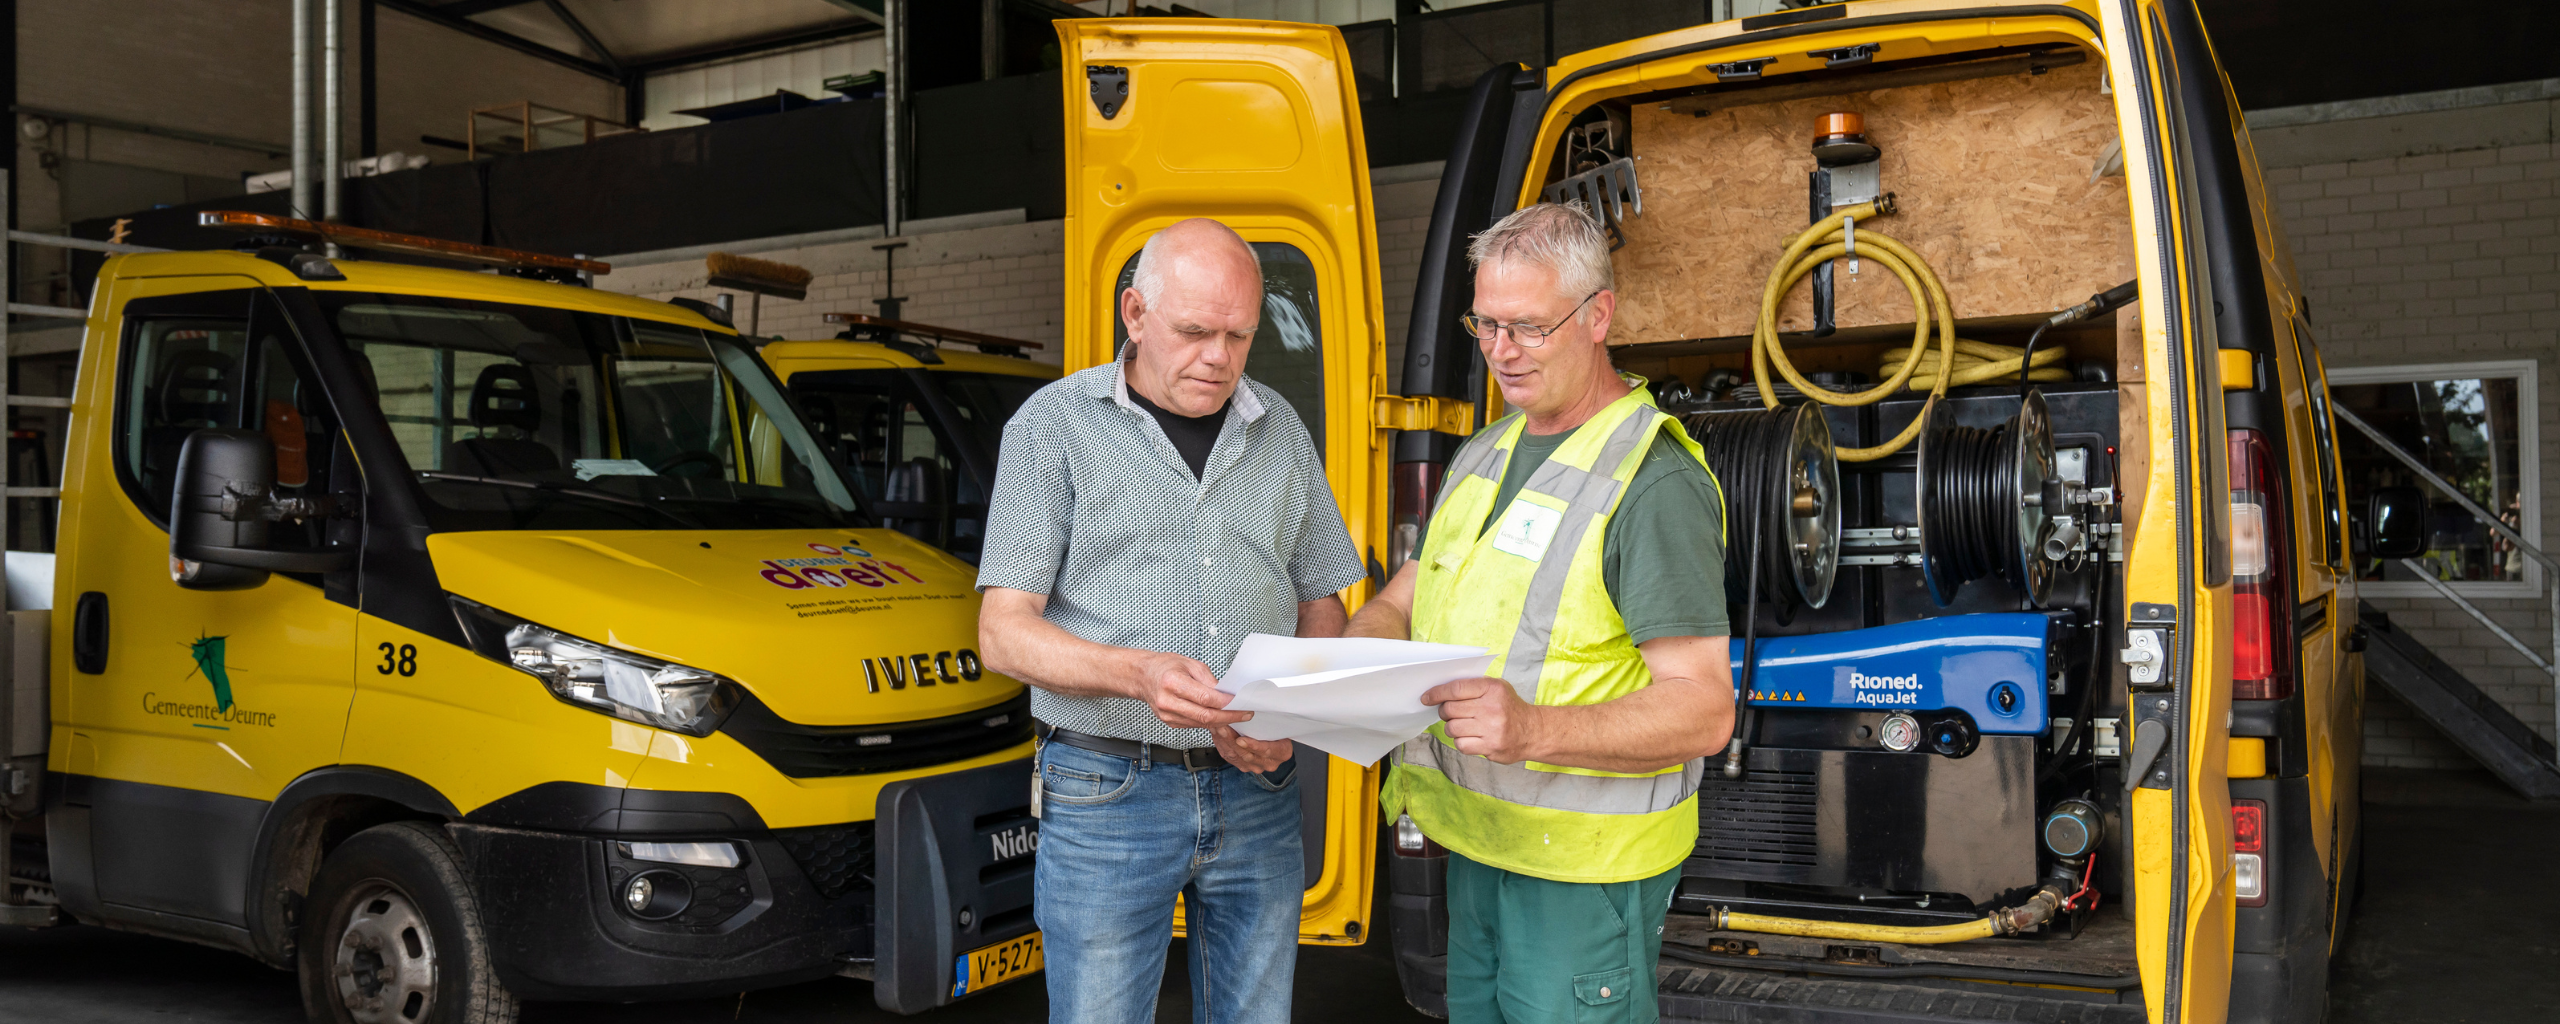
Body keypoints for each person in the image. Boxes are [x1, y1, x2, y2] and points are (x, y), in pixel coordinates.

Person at [1345, 202, 1738, 1024]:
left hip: (1584, 873)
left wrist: (1533, 731)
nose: (1500, 354)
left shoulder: (1652, 482)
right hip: (1479, 848)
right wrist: (1360, 656)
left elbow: (1703, 710)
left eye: (1526, 327)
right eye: (1484, 326)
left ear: (1599, 315)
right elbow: (1407, 593)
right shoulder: (1487, 450)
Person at [976, 217, 1367, 1024]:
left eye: (1239, 336)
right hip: (1106, 786)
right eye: (1195, 332)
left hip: (1258, 784)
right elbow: (1002, 631)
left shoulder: (1281, 430)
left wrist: (1290, 713)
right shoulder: (1053, 428)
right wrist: (1137, 672)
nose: (1218, 358)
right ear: (1135, 313)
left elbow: (1323, 599)